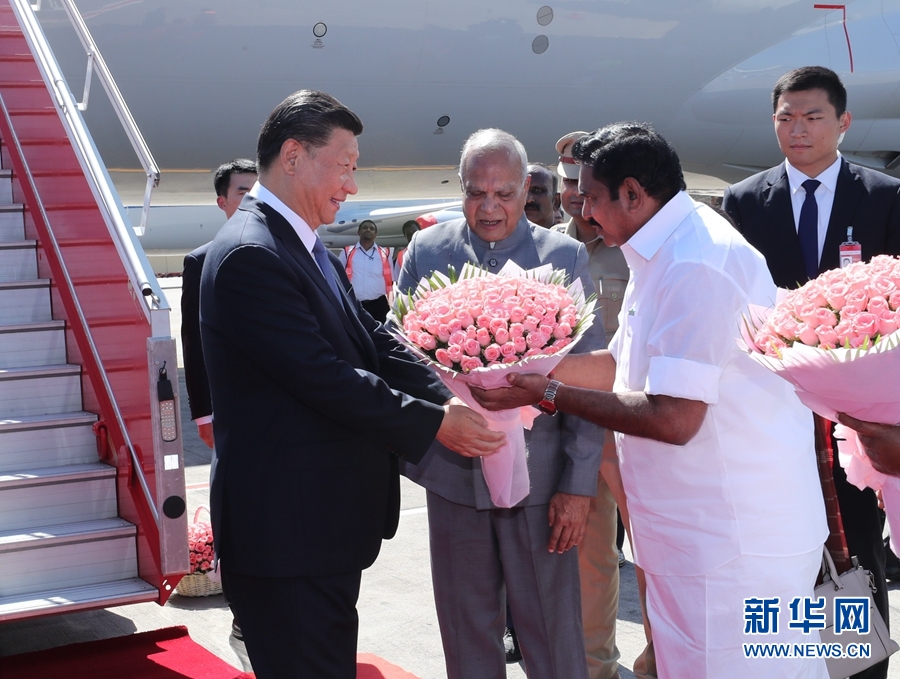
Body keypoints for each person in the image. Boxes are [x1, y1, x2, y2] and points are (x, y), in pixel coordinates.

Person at [471, 122, 829, 679]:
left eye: (592, 196)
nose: (584, 210)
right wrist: (517, 367)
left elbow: (675, 417)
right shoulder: (663, 248)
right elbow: (622, 366)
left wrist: (551, 393)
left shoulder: (695, 262)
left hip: (733, 546)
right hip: (697, 538)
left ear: (633, 193)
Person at [199, 90, 504, 679]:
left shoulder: (299, 242)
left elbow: (371, 339)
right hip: (287, 535)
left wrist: (448, 393)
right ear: (293, 157)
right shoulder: (251, 254)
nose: (352, 186)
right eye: (343, 166)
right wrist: (435, 424)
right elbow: (324, 376)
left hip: (316, 531)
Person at [397, 128, 606, 679]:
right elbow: (399, 354)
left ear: (526, 189)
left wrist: (578, 485)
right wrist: (445, 411)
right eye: (476, 192)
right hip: (454, 477)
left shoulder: (563, 257)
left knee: (553, 635)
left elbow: (590, 381)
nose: (489, 207)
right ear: (460, 187)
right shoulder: (427, 251)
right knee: (466, 632)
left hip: (542, 484)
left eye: (504, 193)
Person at [723, 66, 900, 679]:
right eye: (785, 118)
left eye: (812, 116)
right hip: (771, 414)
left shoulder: (883, 196)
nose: (797, 129)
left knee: (855, 553)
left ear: (843, 122)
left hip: (854, 423)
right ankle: (791, 665)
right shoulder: (745, 201)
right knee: (781, 554)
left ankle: (858, 669)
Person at [554, 130, 631, 679]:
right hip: (573, 424)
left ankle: (660, 662)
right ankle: (594, 668)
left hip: (635, 422)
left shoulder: (634, 247)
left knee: (656, 551)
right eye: (567, 182)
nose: (577, 195)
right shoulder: (545, 251)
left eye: (585, 183)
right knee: (591, 557)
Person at [182, 158, 257, 450]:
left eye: (257, 191)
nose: (252, 198)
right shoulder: (201, 262)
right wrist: (204, 414)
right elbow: (194, 340)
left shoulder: (291, 252)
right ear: (221, 202)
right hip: (237, 405)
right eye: (242, 192)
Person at [339, 219, 393, 323]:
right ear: (359, 232)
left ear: (375, 234)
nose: (368, 230)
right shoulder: (347, 252)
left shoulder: (385, 253)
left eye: (372, 229)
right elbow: (338, 276)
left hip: (379, 304)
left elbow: (392, 279)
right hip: (355, 303)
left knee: (381, 332)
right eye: (365, 228)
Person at [524, 162, 560, 228]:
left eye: (537, 190)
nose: (528, 199)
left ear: (556, 202)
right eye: (523, 190)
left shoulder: (569, 234)